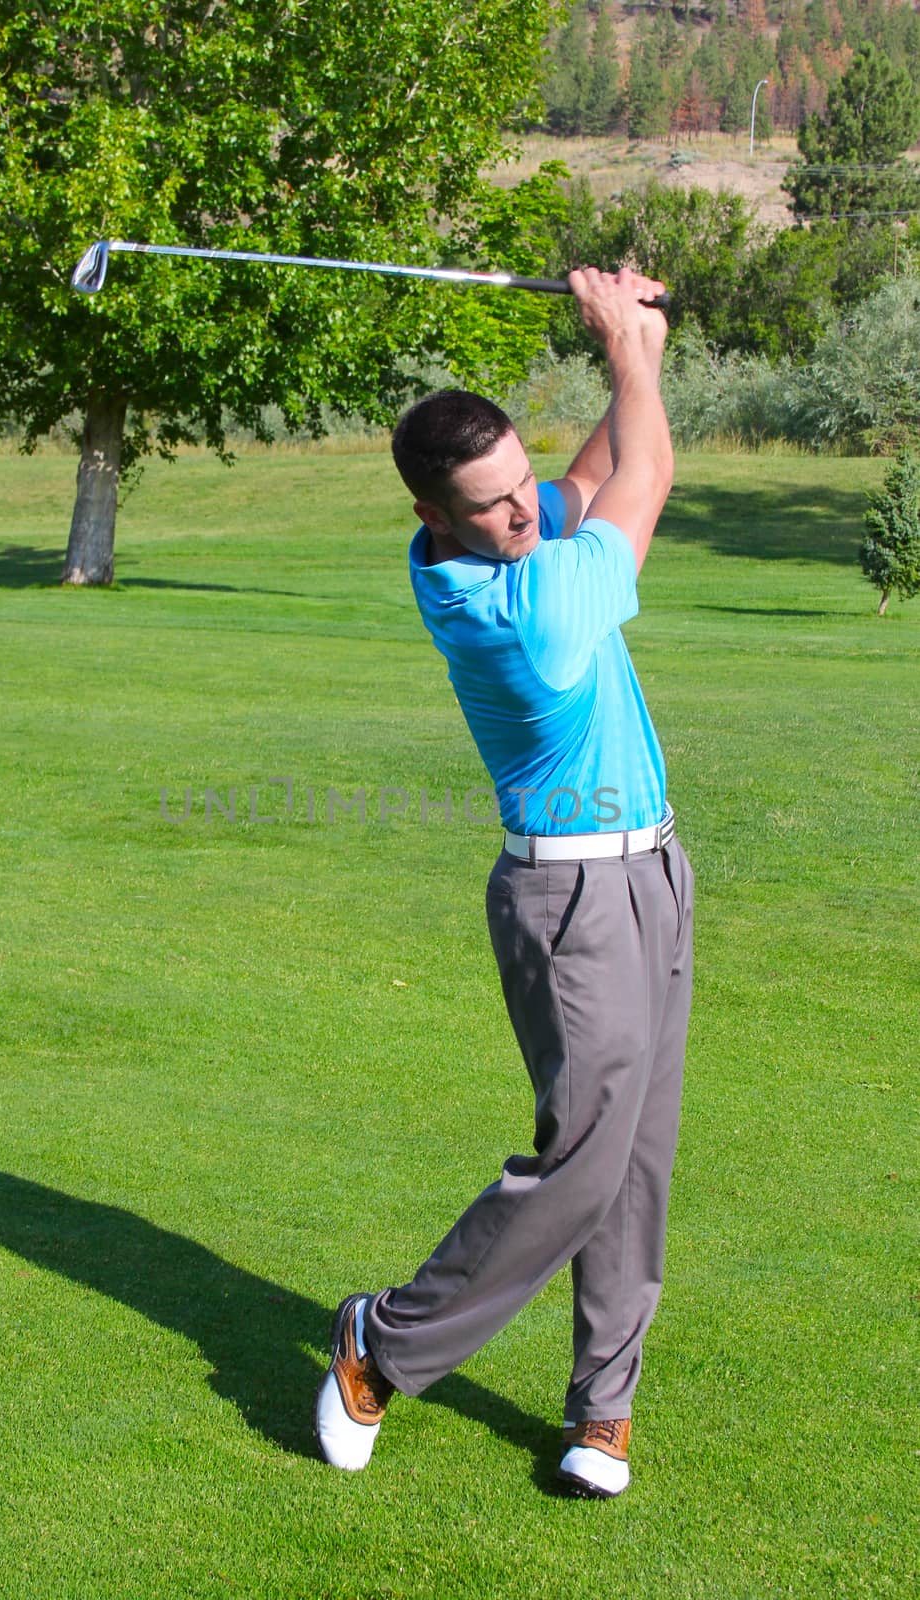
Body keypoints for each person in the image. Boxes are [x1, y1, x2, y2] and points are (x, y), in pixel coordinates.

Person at [314, 267, 694, 1498]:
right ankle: (384, 1338)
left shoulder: (518, 532)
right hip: (567, 904)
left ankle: (602, 1410)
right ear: (434, 516)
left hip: (653, 870)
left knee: (635, 1159)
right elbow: (639, 483)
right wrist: (627, 350)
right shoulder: (519, 612)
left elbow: (580, 479)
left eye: (516, 487)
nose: (522, 514)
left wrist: (628, 349)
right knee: (581, 1158)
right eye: (489, 507)